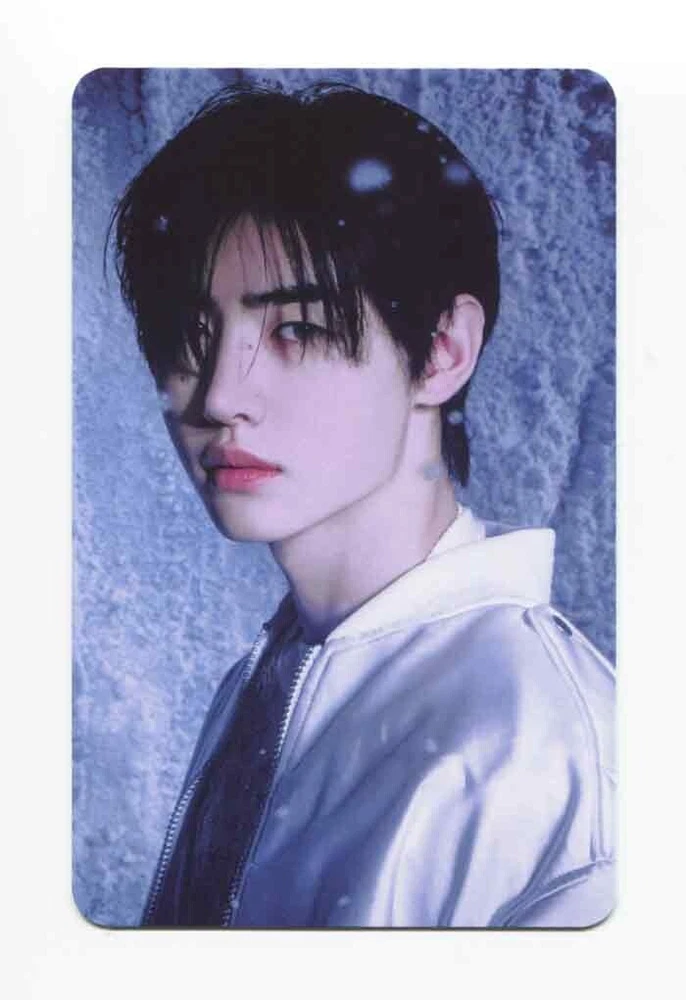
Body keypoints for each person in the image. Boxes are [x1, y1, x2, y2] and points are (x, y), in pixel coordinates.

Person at [111, 81, 615, 928]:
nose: (220, 396)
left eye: (297, 331)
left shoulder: (549, 758)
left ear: (442, 351)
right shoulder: (274, 675)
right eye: (193, 334)